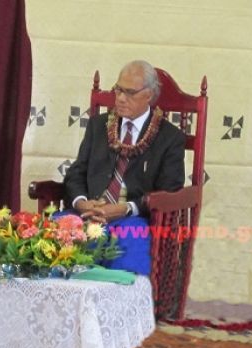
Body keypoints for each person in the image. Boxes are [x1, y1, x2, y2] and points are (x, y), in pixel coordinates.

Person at [63, 60, 185, 275]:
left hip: (133, 218)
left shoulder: (169, 138)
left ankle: (120, 306)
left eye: (129, 92)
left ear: (149, 95)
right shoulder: (98, 126)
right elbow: (76, 173)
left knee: (130, 238)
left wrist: (125, 208)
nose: (120, 98)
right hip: (89, 213)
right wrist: (82, 203)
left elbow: (169, 190)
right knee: (57, 229)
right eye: (118, 89)